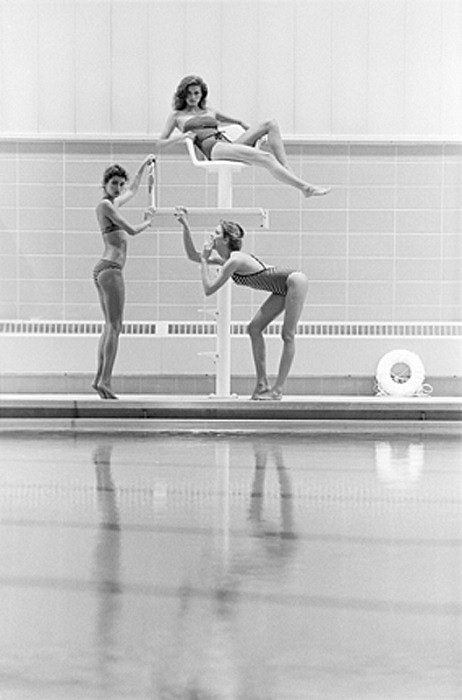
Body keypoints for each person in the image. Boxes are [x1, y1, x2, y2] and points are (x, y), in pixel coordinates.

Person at [174, 206, 308, 400]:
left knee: (287, 335)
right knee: (254, 328)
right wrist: (185, 226)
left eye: (216, 233)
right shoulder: (227, 260)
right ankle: (262, 385)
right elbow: (193, 256)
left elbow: (208, 289)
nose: (212, 235)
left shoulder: (234, 260)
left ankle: (277, 390)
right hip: (281, 288)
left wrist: (205, 258)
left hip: (294, 281)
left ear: (226, 239)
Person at [156, 75, 330, 198]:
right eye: (189, 93)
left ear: (202, 94)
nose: (193, 97)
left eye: (197, 93)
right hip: (212, 148)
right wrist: (183, 137)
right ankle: (305, 188)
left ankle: (286, 168)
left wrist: (246, 126)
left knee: (271, 123)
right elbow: (160, 143)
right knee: (266, 157)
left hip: (225, 142)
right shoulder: (177, 116)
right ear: (183, 95)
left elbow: (235, 121)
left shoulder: (210, 111)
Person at [92, 157, 155, 399]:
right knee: (115, 326)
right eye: (113, 184)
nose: (118, 188)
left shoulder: (113, 203)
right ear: (105, 184)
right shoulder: (105, 206)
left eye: (120, 184)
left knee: (110, 326)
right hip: (110, 268)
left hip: (106, 269)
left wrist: (144, 166)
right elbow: (130, 229)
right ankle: (106, 380)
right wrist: (149, 222)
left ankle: (100, 379)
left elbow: (134, 189)